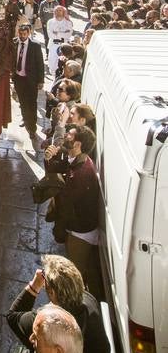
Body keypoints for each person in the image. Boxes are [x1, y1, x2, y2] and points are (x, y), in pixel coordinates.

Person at [6, 255, 110, 353]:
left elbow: (13, 315)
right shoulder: (89, 299)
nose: (32, 338)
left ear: (52, 292)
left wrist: (35, 286)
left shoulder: (47, 324)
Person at [53, 125, 103, 299]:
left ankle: (73, 303)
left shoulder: (82, 173)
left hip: (80, 232)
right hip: (78, 226)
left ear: (78, 144)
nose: (66, 136)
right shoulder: (78, 159)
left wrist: (59, 230)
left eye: (70, 135)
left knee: (75, 272)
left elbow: (67, 205)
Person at [13, 23, 44, 147]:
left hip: (31, 80)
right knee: (22, 102)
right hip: (18, 79)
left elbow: (40, 64)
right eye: (20, 34)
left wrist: (40, 81)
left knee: (31, 103)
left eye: (24, 34)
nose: (22, 36)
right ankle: (25, 120)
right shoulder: (14, 43)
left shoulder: (35, 46)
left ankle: (32, 128)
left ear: (29, 33)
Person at [47, 7, 74, 78]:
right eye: (56, 10)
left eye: (60, 10)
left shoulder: (68, 22)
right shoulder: (50, 22)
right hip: (53, 44)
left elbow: (68, 34)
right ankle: (54, 77)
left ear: (63, 12)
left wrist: (57, 33)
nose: (58, 12)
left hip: (64, 44)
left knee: (63, 62)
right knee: (52, 62)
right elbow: (50, 34)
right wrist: (63, 32)